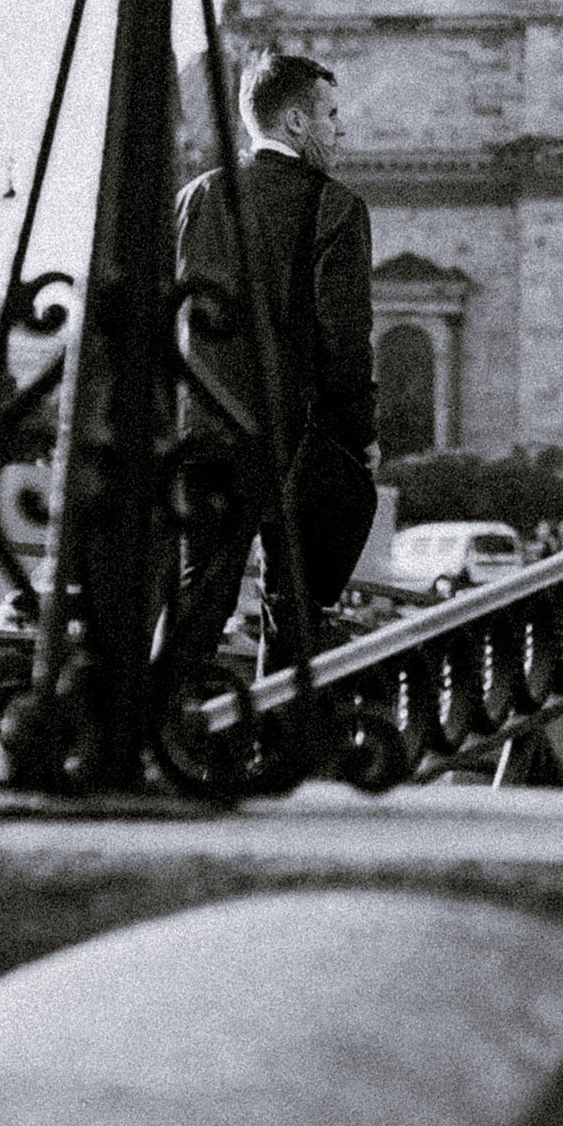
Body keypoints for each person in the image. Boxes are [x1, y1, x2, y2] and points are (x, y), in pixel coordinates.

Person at [174, 46, 380, 675]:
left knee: (194, 606)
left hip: (201, 436)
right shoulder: (336, 207)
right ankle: (276, 749)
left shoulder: (194, 199)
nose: (339, 130)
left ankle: (161, 740)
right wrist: (361, 436)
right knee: (293, 618)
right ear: (296, 123)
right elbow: (343, 340)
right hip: (294, 445)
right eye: (331, 115)